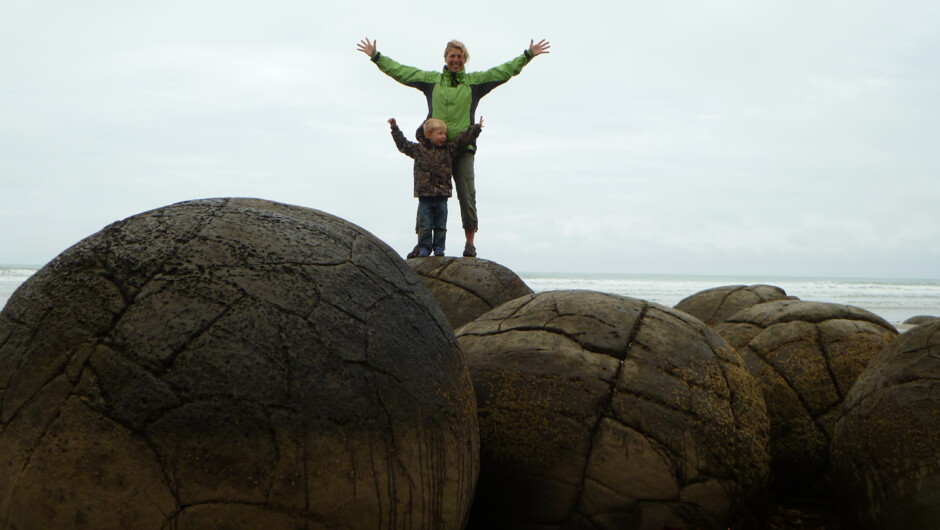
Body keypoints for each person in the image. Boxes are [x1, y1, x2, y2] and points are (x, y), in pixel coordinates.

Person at [358, 37, 550, 257]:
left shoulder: (474, 82)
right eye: (452, 56)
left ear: (465, 59)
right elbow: (402, 72)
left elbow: (503, 71)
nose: (456, 60)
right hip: (433, 150)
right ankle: (422, 243)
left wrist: (527, 55)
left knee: (467, 194)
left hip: (463, 149)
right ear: (445, 58)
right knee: (426, 196)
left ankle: (470, 243)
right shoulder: (432, 81)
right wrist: (377, 57)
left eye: (460, 56)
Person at [389, 116, 483, 258]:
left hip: (442, 196)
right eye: (440, 133)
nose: (444, 136)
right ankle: (424, 248)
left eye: (444, 133)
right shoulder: (418, 150)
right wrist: (394, 128)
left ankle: (439, 248)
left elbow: (462, 140)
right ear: (428, 135)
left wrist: (476, 128)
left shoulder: (448, 150)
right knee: (425, 225)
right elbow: (402, 144)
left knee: (441, 226)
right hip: (424, 197)